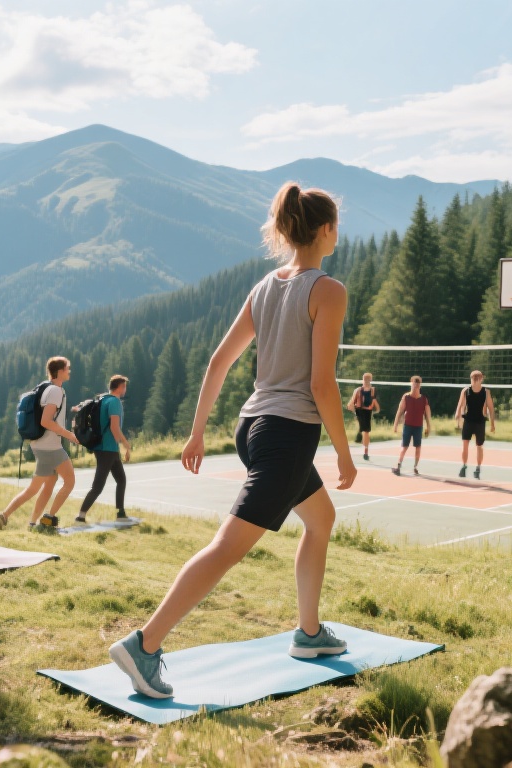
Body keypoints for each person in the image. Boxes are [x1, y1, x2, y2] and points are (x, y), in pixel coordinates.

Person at [107, 182, 357, 698]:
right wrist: (345, 450)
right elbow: (321, 384)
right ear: (326, 229)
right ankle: (144, 645)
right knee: (227, 547)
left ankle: (309, 634)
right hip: (288, 435)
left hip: (253, 428)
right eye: (337, 225)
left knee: (321, 519)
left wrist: (198, 432)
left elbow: (219, 361)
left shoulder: (266, 285)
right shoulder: (328, 290)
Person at [0, 357, 79, 530]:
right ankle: (48, 518)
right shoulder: (55, 391)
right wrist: (68, 435)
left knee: (41, 486)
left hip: (39, 445)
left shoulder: (46, 387)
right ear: (60, 371)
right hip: (50, 447)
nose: (69, 371)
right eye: (67, 368)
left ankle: (9, 517)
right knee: (70, 482)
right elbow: (46, 421)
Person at [74, 375, 131, 523]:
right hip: (108, 449)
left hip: (105, 448)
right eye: (124, 386)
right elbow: (114, 428)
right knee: (98, 486)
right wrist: (126, 444)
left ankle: (121, 513)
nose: (125, 389)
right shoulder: (115, 402)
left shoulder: (103, 399)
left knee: (121, 479)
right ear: (119, 387)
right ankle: (80, 516)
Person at [454, 370, 496, 479]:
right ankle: (464, 466)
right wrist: (457, 419)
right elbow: (459, 405)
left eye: (477, 379)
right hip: (468, 420)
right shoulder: (466, 391)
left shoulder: (486, 392)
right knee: (465, 445)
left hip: (480, 421)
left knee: (479, 446)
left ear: (481, 379)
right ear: (471, 379)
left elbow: (491, 408)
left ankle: (478, 468)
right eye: (473, 379)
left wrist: (492, 423)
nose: (475, 381)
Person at [391, 376, 431, 476]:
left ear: (419, 386)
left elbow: (427, 415)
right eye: (414, 383)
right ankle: (398, 465)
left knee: (418, 447)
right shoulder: (406, 397)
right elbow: (399, 411)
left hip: (418, 426)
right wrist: (395, 425)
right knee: (404, 446)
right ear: (411, 384)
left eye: (417, 384)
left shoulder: (424, 399)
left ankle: (415, 467)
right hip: (408, 426)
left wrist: (428, 427)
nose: (415, 385)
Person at [347, 372, 380, 461]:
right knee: (365, 430)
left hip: (368, 412)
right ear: (362, 380)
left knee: (366, 431)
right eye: (365, 379)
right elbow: (351, 403)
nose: (366, 381)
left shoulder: (373, 390)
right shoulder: (358, 390)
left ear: (371, 380)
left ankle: (364, 446)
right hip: (359, 410)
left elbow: (374, 401)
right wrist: (354, 411)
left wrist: (377, 409)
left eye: (368, 379)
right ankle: (365, 451)